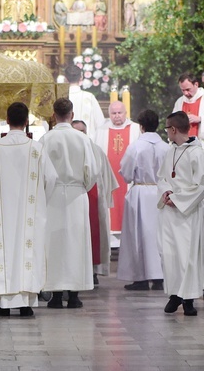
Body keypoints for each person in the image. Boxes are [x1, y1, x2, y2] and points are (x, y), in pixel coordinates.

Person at [0, 102, 57, 317]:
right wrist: (39, 200)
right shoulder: (37, 150)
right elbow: (51, 178)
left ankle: (2, 304)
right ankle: (26, 303)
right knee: (26, 252)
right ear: (27, 121)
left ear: (7, 120)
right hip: (28, 214)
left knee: (2, 253)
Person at [40, 98, 98, 309]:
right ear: (71, 115)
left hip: (53, 195)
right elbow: (92, 171)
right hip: (76, 194)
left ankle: (55, 295)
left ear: (54, 115)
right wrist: (80, 185)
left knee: (53, 244)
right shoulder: (81, 139)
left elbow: (40, 172)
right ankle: (74, 295)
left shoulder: (46, 139)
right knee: (76, 243)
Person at [157, 111, 204, 316]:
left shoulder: (196, 153)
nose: (167, 133)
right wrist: (165, 193)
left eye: (167, 129)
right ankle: (174, 294)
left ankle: (188, 299)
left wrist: (178, 199)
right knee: (170, 254)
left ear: (173, 129)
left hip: (187, 213)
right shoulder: (170, 151)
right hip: (170, 212)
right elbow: (162, 177)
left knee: (187, 256)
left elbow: (203, 185)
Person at [117, 110, 168, 290]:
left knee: (138, 235)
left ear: (141, 126)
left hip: (140, 192)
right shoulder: (165, 147)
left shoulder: (136, 146)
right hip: (161, 192)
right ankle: (160, 277)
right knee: (158, 235)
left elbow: (126, 172)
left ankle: (140, 278)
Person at [71, 120, 118, 284]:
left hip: (95, 200)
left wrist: (106, 199)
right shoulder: (67, 149)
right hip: (71, 201)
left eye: (82, 131)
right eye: (76, 131)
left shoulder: (96, 150)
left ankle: (94, 271)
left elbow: (107, 178)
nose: (80, 134)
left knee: (94, 234)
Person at [94, 101, 141, 234]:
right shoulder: (101, 130)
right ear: (109, 115)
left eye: (120, 113)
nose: (117, 116)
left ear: (126, 113)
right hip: (109, 177)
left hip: (129, 180)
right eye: (113, 113)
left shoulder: (135, 129)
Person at [172, 72, 204, 154]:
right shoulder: (180, 102)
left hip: (202, 146)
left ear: (196, 84)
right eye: (182, 90)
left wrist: (201, 119)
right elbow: (172, 123)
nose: (185, 93)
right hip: (183, 147)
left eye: (188, 89)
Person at [65, 64, 105, 140]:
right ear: (81, 77)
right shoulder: (89, 97)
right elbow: (100, 123)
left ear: (65, 79)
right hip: (87, 144)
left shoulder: (60, 98)